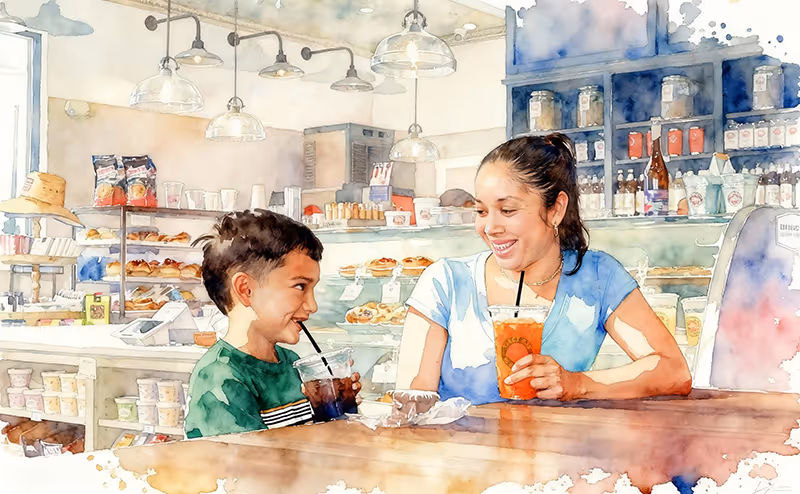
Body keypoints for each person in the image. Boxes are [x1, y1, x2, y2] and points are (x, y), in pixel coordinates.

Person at [396, 134, 692, 405]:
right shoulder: (444, 282)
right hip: (461, 458)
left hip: (556, 458)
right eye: (481, 211)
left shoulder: (598, 278)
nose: (490, 228)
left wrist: (578, 384)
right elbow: (411, 405)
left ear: (555, 210)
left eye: (508, 210)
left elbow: (673, 371)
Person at [185, 210, 361, 438]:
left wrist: (333, 412)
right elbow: (251, 466)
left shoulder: (292, 364)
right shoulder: (219, 379)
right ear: (246, 290)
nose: (312, 305)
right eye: (300, 287)